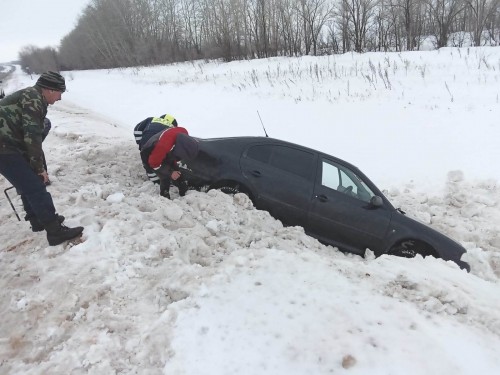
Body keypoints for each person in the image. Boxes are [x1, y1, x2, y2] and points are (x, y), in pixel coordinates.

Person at [0, 71, 84, 246]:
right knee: (36, 186)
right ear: (50, 90)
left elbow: (31, 133)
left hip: (9, 144)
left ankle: (37, 219)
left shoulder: (32, 95)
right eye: (60, 92)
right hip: (4, 147)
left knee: (28, 182)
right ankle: (55, 232)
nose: (60, 97)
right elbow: (32, 137)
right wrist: (39, 168)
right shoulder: (34, 100)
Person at [137, 119, 199, 199]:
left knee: (177, 172)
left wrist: (173, 168)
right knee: (164, 176)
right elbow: (153, 163)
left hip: (165, 151)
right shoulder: (163, 147)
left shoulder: (183, 132)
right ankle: (165, 197)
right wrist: (170, 173)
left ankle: (184, 192)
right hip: (149, 155)